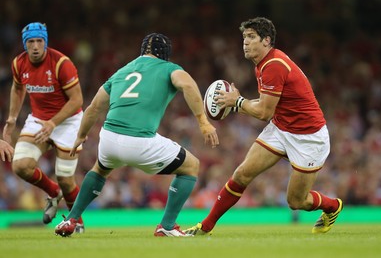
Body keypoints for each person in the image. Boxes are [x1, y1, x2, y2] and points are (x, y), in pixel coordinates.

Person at [184, 17, 343, 236]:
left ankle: (332, 207)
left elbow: (264, 112)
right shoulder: (263, 64)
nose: (245, 43)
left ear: (266, 40)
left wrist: (237, 103)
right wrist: (237, 104)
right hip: (281, 128)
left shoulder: (274, 65)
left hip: (309, 137)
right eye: (244, 38)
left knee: (296, 201)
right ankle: (206, 226)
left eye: (251, 37)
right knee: (242, 174)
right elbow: (266, 107)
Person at [54, 33, 219, 237]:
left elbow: (94, 107)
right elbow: (187, 84)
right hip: (139, 142)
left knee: (99, 169)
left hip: (109, 139)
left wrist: (80, 136)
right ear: (165, 53)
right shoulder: (168, 68)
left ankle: (71, 219)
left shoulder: (121, 72)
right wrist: (203, 122)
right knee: (191, 166)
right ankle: (166, 226)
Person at [2, 22, 85, 232]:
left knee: (66, 180)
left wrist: (54, 122)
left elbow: (77, 100)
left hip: (68, 122)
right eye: (31, 42)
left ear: (45, 42)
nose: (36, 46)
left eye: (40, 41)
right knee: (20, 166)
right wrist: (11, 118)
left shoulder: (61, 63)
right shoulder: (19, 63)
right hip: (39, 119)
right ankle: (53, 192)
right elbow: (18, 88)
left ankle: (76, 220)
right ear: (25, 44)